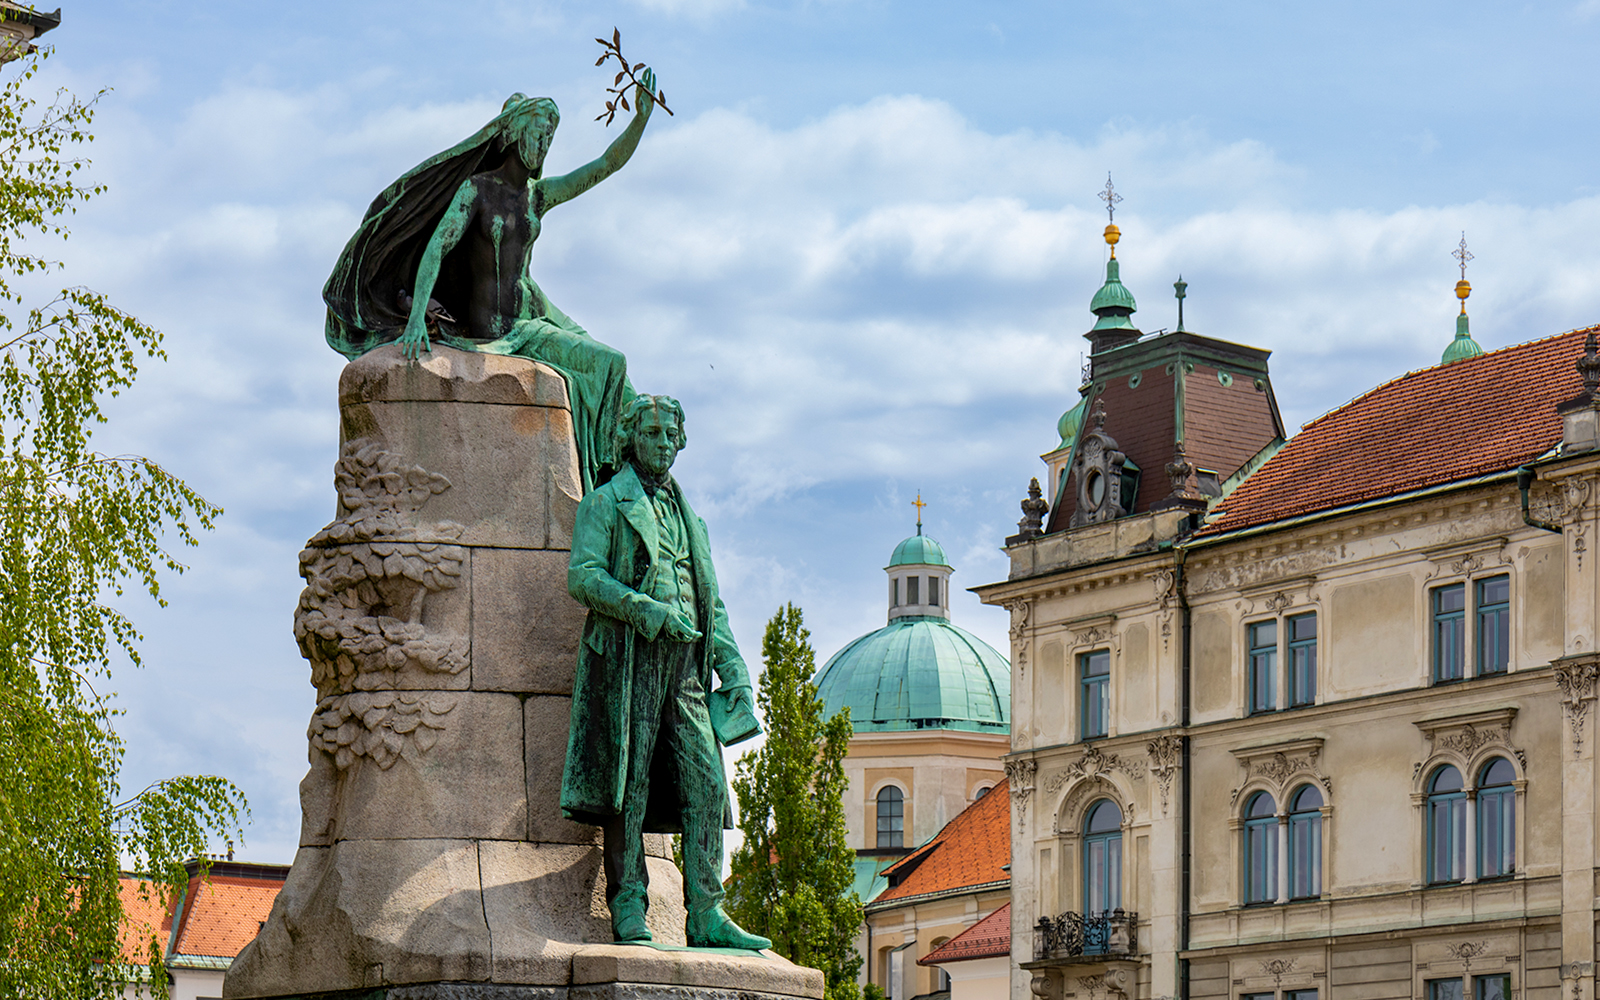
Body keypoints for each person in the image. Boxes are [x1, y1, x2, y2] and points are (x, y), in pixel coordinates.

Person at [323, 73, 659, 491]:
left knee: (612, 366)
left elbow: (603, 166)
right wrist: (414, 322)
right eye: (538, 134)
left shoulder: (538, 195)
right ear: (516, 134)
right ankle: (607, 481)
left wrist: (640, 120)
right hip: (491, 333)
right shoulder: (476, 190)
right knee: (609, 363)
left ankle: (620, 473)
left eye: (550, 138)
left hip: (527, 323)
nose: (543, 145)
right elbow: (437, 248)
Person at [561, 394, 771, 950]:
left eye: (668, 435)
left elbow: (712, 605)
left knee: (706, 784)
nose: (661, 444)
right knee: (628, 787)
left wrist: (737, 673)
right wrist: (644, 609)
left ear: (681, 440)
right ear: (631, 437)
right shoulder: (606, 502)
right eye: (650, 434)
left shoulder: (691, 519)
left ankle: (706, 912)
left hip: (686, 670)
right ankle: (629, 905)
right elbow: (581, 577)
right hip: (630, 659)